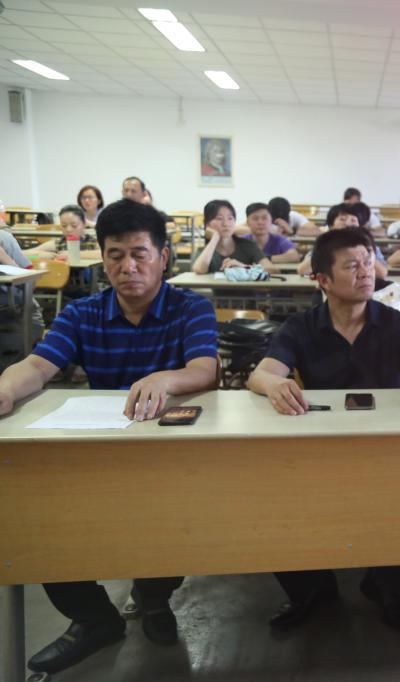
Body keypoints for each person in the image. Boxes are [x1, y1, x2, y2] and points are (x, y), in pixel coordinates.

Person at [0, 199, 218, 674]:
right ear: (102, 258)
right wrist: (5, 389)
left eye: (140, 254)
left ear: (163, 257)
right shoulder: (83, 313)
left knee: (176, 521)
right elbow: (37, 365)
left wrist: (164, 379)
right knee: (37, 524)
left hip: (170, 454)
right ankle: (96, 619)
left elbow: (205, 368)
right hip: (101, 449)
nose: (128, 266)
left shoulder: (191, 308)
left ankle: (154, 599)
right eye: (115, 255)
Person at [247, 228, 400, 634]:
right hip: (321, 446)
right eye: (352, 265)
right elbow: (260, 375)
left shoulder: (396, 323)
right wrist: (275, 385)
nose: (366, 272)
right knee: (271, 502)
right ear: (322, 279)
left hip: (390, 446)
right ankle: (311, 589)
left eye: (368, 262)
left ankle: (389, 588)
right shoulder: (302, 326)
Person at [297, 204, 387, 278]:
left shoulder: (368, 244)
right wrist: (330, 244)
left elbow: (382, 273)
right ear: (331, 226)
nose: (348, 223)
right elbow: (302, 270)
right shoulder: (324, 243)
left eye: (353, 220)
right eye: (343, 219)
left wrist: (363, 245)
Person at [192, 200, 276, 274]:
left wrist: (244, 267)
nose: (226, 223)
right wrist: (215, 237)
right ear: (207, 224)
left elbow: (272, 270)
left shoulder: (248, 246)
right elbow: (199, 270)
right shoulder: (204, 251)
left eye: (230, 218)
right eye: (219, 218)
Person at [28, 205, 101, 260]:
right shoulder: (59, 244)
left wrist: (73, 254)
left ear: (84, 224)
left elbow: (103, 254)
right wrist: (40, 255)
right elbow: (26, 255)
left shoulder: (93, 242)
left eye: (74, 225)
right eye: (64, 225)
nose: (68, 229)